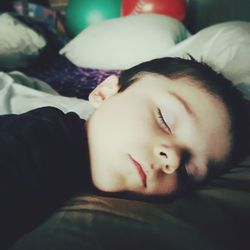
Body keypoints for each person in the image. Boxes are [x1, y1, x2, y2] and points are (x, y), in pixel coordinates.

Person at [0, 57, 249, 249]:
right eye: (164, 119)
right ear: (105, 92)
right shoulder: (39, 140)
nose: (172, 159)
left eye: (188, 170)